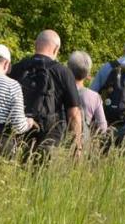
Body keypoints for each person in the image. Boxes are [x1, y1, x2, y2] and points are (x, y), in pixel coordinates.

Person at [10, 29, 84, 161]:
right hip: (49, 138)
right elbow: (73, 113)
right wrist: (77, 146)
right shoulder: (63, 72)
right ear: (56, 49)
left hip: (19, 134)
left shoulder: (17, 68)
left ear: (35, 45)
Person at [67, 51, 108, 153]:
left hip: (60, 143)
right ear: (87, 74)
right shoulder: (94, 97)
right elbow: (102, 128)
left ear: (68, 69)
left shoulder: (59, 92)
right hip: (82, 145)